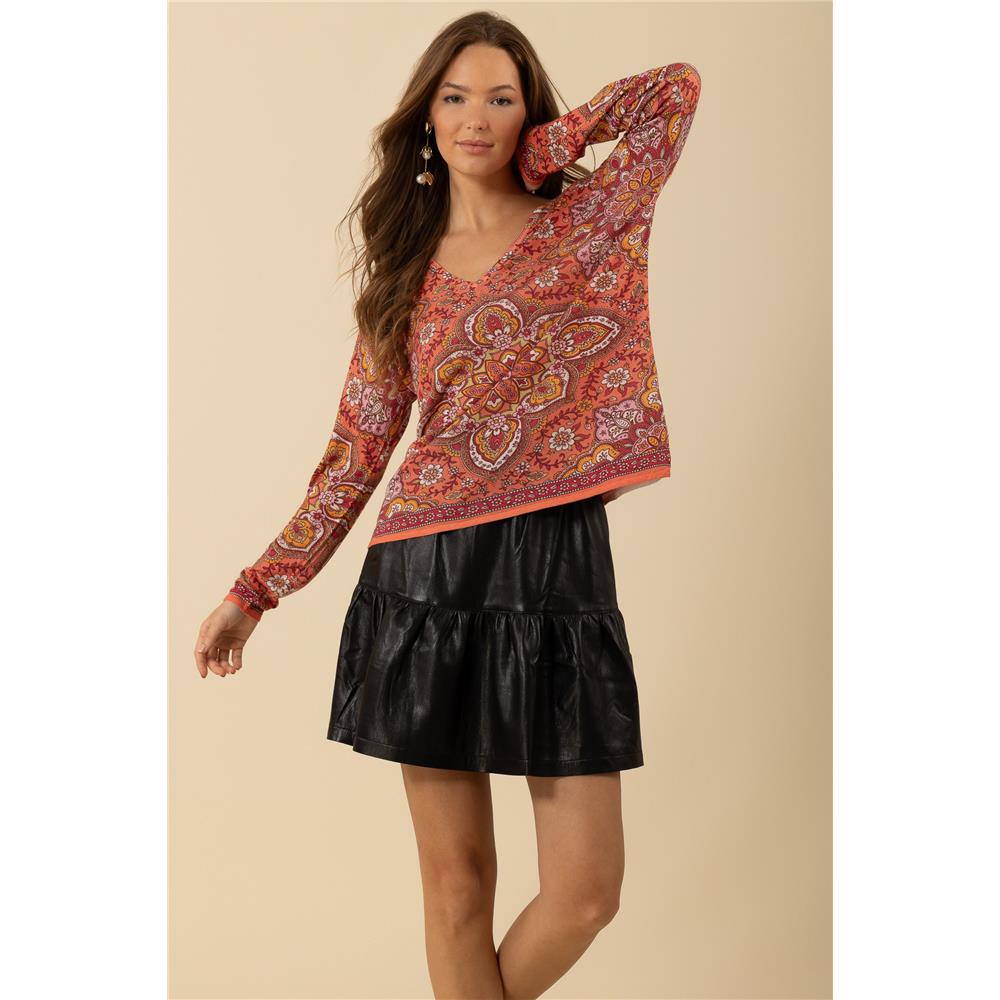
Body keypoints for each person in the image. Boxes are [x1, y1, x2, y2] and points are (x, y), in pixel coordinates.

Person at [194, 10, 701, 998]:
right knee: (458, 888)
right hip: (426, 579)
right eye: (455, 96)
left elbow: (674, 90)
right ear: (426, 116)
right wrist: (256, 590)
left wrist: (551, 144)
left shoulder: (591, 217)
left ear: (528, 111)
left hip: (560, 567)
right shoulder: (405, 274)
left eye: (501, 99)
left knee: (586, 892)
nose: (475, 118)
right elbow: (355, 454)